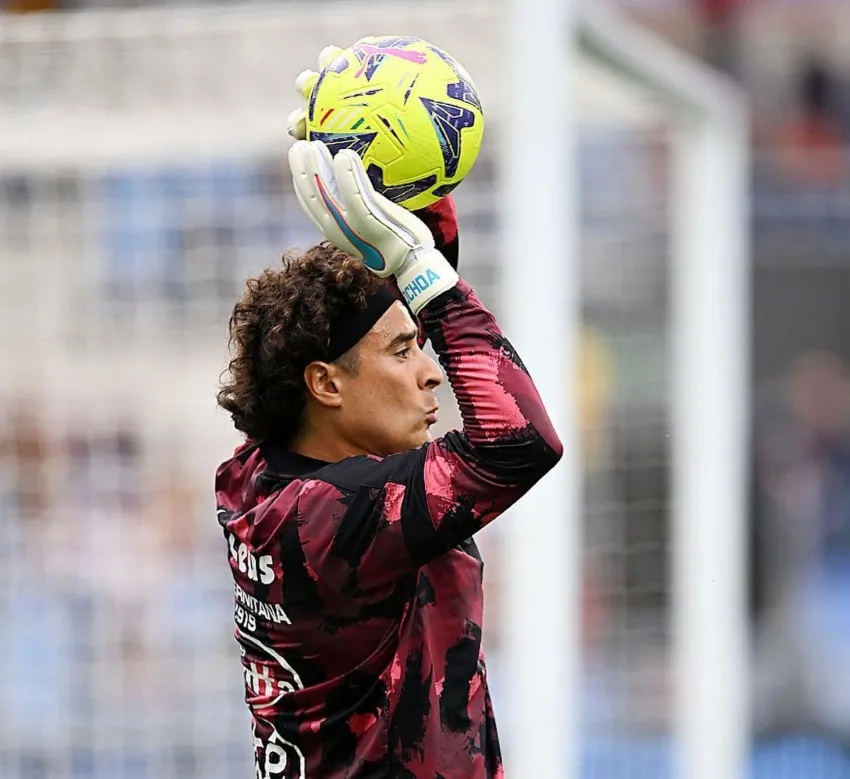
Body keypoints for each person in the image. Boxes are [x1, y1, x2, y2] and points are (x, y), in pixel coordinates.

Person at [215, 111, 562, 779]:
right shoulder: (329, 519)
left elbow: (392, 323)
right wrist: (415, 262)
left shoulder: (260, 474)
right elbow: (520, 442)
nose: (432, 370)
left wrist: (376, 149)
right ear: (325, 383)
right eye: (404, 352)